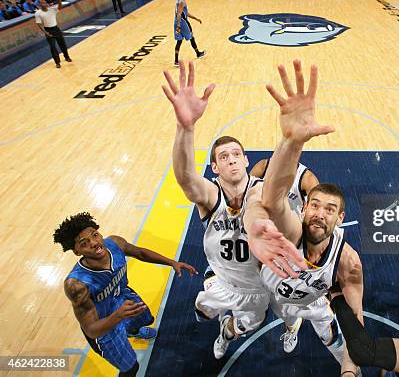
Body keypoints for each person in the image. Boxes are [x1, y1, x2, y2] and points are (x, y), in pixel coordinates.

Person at [162, 61, 302, 359]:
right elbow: (186, 178)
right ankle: (224, 325)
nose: (231, 160)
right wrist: (185, 128)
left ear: (247, 160)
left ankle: (245, 329)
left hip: (262, 282)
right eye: (223, 157)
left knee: (265, 321)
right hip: (224, 278)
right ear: (214, 167)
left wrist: (291, 140)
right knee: (203, 311)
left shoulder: (260, 191)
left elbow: (272, 190)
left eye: (236, 154)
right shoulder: (211, 195)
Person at [244, 60, 363, 374]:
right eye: (315, 205)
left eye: (330, 209)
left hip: (315, 302)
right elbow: (271, 199)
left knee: (332, 333)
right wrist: (292, 141)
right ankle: (291, 327)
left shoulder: (347, 261)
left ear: (341, 219)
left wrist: (350, 368)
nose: (320, 214)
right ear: (304, 208)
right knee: (286, 315)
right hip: (280, 294)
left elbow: (356, 323)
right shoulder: (293, 230)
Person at [55, 212, 197, 376]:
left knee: (147, 319)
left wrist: (172, 262)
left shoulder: (115, 243)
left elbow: (140, 253)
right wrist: (118, 316)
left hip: (122, 298)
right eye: (84, 243)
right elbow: (91, 330)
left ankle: (132, 331)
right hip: (103, 325)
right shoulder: (77, 285)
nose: (94, 243)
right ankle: (124, 333)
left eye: (95, 235)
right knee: (131, 369)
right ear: (77, 251)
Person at [250, 158, 319, 215]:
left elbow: (316, 207)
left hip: (290, 226)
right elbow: (245, 193)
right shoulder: (263, 167)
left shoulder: (308, 179)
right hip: (261, 221)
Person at [34, 0, 72, 69]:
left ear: (46, 4)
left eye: (44, 3)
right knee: (53, 47)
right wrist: (45, 32)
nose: (42, 4)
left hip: (56, 28)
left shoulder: (52, 9)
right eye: (41, 3)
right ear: (40, 4)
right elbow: (39, 24)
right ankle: (57, 62)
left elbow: (60, 7)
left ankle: (67, 57)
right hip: (48, 30)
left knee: (62, 44)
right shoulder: (38, 13)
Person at [173, 0, 205, 66]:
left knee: (179, 41)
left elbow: (185, 13)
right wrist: (178, 25)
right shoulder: (182, 2)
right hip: (182, 23)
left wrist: (196, 18)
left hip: (176, 22)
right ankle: (198, 53)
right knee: (192, 37)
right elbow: (179, 14)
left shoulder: (178, 0)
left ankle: (176, 61)